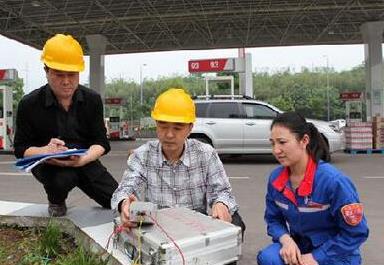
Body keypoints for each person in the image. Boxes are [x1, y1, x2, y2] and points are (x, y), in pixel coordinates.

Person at [111, 88, 245, 235]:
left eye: (177, 128)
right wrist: (124, 203)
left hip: (196, 228)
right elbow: (123, 191)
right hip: (158, 228)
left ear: (190, 128)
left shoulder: (206, 154)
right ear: (156, 124)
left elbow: (222, 192)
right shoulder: (142, 155)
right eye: (163, 126)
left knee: (236, 222)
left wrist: (221, 204)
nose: (169, 134)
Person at [14, 34, 118, 217]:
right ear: (46, 71)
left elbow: (101, 142)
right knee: (61, 179)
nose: (66, 81)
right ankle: (56, 200)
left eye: (71, 74)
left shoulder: (92, 100)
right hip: (49, 165)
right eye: (59, 74)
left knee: (118, 200)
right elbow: (21, 148)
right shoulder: (29, 104)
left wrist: (84, 158)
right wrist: (45, 150)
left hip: (84, 159)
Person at [257, 112, 369, 265]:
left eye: (282, 142)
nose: (276, 150)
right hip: (301, 247)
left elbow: (356, 232)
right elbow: (273, 219)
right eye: (272, 143)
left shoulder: (334, 182)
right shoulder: (276, 180)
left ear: (304, 141)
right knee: (268, 258)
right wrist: (286, 240)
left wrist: (317, 257)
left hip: (336, 254)